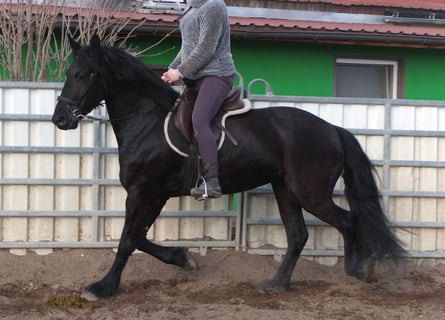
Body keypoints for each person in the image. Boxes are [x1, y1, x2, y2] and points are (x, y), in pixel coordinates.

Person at [162, 0, 236, 201]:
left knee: (199, 120)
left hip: (217, 74)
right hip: (195, 77)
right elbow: (188, 47)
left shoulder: (213, 5)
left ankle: (212, 182)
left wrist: (180, 71)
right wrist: (172, 69)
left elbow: (206, 48)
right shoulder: (192, 8)